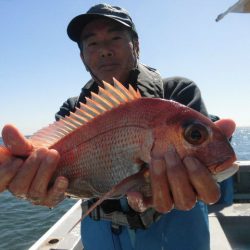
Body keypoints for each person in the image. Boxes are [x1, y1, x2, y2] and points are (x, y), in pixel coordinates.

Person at [0, 3, 236, 250]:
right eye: (92, 43)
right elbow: (56, 181)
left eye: (115, 38)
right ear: (82, 57)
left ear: (136, 45)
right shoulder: (73, 109)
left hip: (178, 229)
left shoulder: (177, 92)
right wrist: (35, 187)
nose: (104, 50)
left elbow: (202, 161)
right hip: (100, 232)